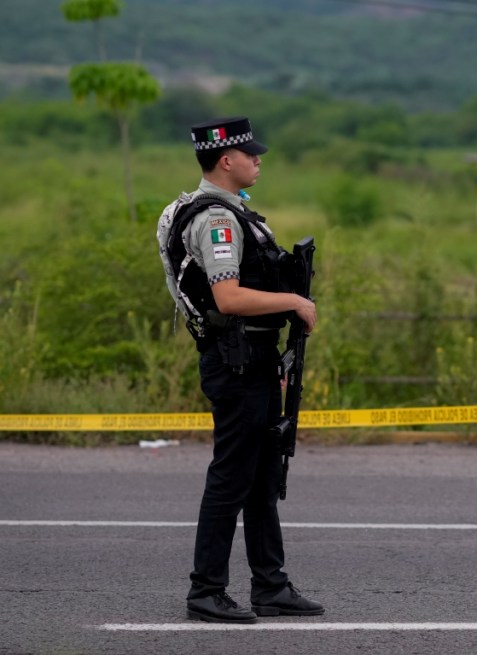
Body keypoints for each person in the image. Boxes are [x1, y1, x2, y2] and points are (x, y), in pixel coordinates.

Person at [159, 116, 322, 623]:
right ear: (225, 161)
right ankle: (205, 591)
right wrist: (294, 299)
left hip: (252, 358)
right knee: (232, 477)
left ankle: (270, 586)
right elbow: (227, 297)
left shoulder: (206, 210)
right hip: (237, 360)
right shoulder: (218, 220)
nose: (258, 160)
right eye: (251, 154)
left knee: (261, 476)